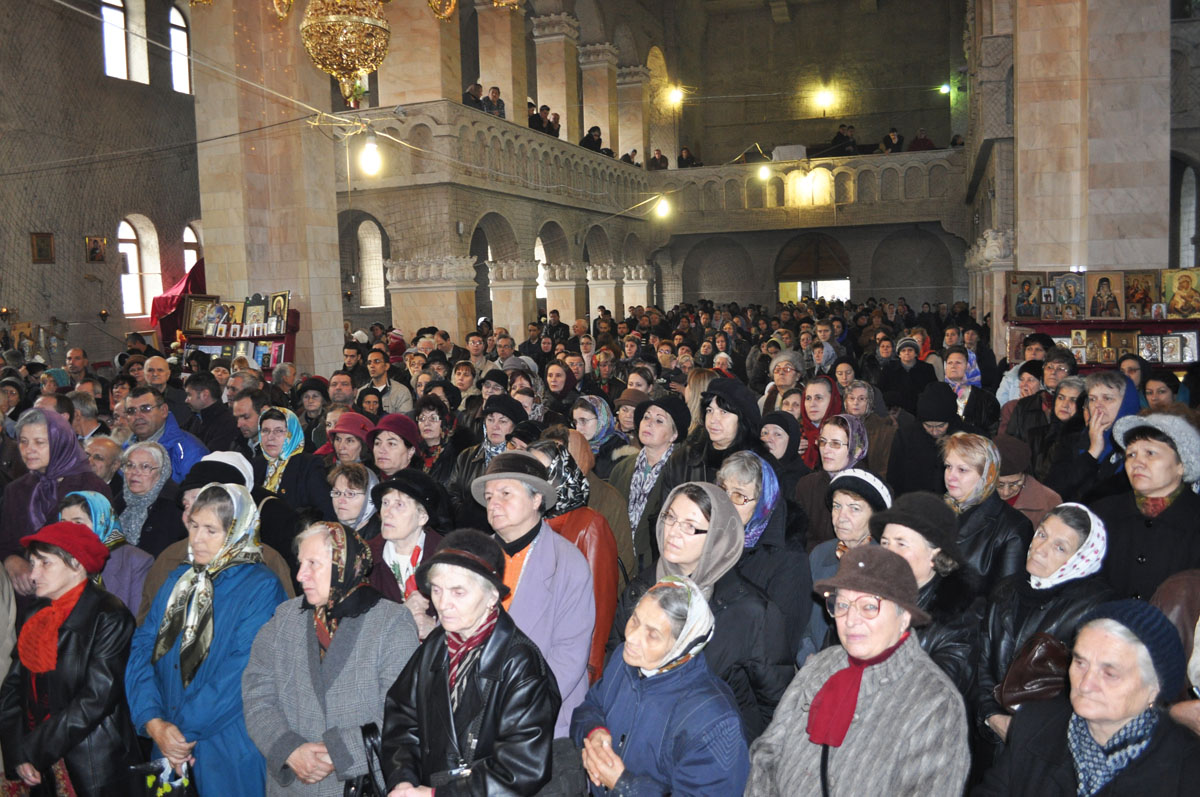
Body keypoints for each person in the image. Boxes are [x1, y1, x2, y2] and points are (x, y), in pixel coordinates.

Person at [745, 546, 970, 796]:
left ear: (904, 614)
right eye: (841, 604)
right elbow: (766, 755)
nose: (850, 619)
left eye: (869, 607)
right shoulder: (820, 668)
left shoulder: (935, 704)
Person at [127, 483, 288, 797]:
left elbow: (242, 671)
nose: (197, 539)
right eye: (194, 526)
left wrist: (180, 732)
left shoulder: (261, 586)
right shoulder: (179, 578)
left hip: (226, 744)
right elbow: (143, 647)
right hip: (168, 740)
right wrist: (152, 721)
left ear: (237, 531)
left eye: (211, 530)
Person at [242, 521, 420, 796]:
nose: (301, 575)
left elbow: (401, 712)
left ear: (344, 565)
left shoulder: (391, 622)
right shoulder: (285, 617)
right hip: (292, 785)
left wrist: (336, 754)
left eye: (314, 563)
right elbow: (256, 693)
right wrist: (287, 748)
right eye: (300, 563)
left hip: (356, 784)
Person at [380, 530, 560, 795]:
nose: (443, 604)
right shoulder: (436, 644)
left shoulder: (521, 663)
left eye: (458, 592)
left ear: (491, 597)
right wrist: (403, 780)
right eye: (438, 590)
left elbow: (521, 767)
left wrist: (437, 795)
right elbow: (402, 718)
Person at [609, 482, 792, 739]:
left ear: (717, 536)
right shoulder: (643, 588)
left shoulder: (752, 612)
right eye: (670, 518)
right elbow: (614, 666)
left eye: (689, 526)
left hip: (710, 752)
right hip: (638, 739)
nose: (672, 532)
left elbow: (777, 708)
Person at [976, 600, 1200, 795]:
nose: (1086, 684)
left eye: (1109, 673)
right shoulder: (1035, 723)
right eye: (1080, 663)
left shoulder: (1187, 772)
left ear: (1155, 688)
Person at [470, 452, 594, 770]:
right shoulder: (475, 560)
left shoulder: (568, 563)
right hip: (478, 719)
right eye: (488, 497)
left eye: (505, 493)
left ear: (536, 498)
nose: (493, 503)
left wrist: (513, 711)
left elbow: (569, 658)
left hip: (541, 721)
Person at [570, 577, 750, 795]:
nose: (632, 637)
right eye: (635, 620)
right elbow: (591, 706)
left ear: (682, 648)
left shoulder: (716, 722)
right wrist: (595, 732)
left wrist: (624, 785)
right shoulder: (624, 662)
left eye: (652, 635)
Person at [0, 521, 141, 794]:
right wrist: (17, 752)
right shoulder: (37, 613)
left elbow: (95, 699)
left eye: (45, 564)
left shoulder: (109, 616)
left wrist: (34, 749)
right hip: (39, 761)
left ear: (76, 564)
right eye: (32, 563)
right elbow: (13, 687)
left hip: (92, 760)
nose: (33, 574)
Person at [973, 504, 1112, 757]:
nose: (1040, 549)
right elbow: (982, 659)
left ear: (1082, 558)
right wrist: (992, 716)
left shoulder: (1095, 610)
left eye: (1060, 548)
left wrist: (1023, 729)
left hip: (1046, 749)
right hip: (990, 735)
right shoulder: (1007, 589)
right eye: (1042, 534)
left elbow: (1080, 692)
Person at [526, 440, 619, 685]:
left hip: (570, 663)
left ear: (561, 472)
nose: (534, 480)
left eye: (542, 471)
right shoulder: (527, 523)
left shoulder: (589, 525)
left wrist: (590, 670)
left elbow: (599, 605)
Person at [874, 492, 983, 695]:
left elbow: (935, 695)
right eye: (885, 542)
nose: (888, 553)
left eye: (901, 543)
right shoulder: (863, 594)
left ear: (934, 551)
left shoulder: (957, 621)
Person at [1, 409, 111, 597]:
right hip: (23, 597)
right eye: (23, 441)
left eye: (40, 442)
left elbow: (101, 549)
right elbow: (4, 540)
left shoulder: (92, 489)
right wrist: (10, 560)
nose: (29, 450)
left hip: (74, 597)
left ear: (61, 443)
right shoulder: (16, 489)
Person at [716, 450, 811, 661]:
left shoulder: (790, 560)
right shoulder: (714, 540)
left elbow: (781, 643)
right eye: (723, 491)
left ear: (763, 502)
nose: (726, 502)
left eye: (739, 495)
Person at [1096, 413, 1200, 599]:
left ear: (1181, 465)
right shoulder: (1102, 513)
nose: (1137, 463)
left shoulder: (1194, 520)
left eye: (1150, 453)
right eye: (1131, 454)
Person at [800, 470, 892, 663]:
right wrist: (809, 659)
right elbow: (802, 621)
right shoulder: (820, 555)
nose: (841, 517)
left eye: (854, 508)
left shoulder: (887, 565)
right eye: (836, 507)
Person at [942, 431, 1032, 591]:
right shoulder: (936, 509)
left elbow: (1004, 602)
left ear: (987, 475)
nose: (951, 476)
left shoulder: (1014, 527)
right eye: (949, 466)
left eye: (962, 470)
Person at [367, 472, 443, 640]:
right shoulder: (365, 559)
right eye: (385, 503)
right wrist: (401, 614)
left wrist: (438, 628)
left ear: (422, 517)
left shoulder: (448, 558)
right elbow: (355, 626)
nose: (387, 512)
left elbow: (471, 619)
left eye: (399, 505)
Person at [58, 490, 152, 614]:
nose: (69, 530)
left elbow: (137, 620)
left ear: (101, 522)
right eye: (64, 523)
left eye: (78, 523)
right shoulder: (57, 559)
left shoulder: (136, 561)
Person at [794, 413, 867, 551]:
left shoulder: (871, 491)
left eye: (835, 444)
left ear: (856, 450)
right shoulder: (806, 485)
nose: (826, 450)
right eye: (822, 442)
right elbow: (798, 537)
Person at [255, 407, 336, 520]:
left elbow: (325, 512)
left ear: (292, 433)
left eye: (279, 431)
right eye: (265, 430)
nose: (270, 437)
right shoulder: (255, 465)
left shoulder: (309, 465)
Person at [113, 441, 188, 558]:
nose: (134, 473)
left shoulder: (175, 505)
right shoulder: (121, 499)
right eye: (130, 465)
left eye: (145, 467)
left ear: (162, 471)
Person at [571, 395, 624, 479]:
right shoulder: (577, 447)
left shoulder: (621, 450)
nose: (578, 428)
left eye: (583, 421)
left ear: (601, 419)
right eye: (575, 422)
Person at [327, 462, 380, 539]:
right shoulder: (327, 533)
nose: (341, 500)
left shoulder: (381, 540)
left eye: (350, 494)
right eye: (337, 492)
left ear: (369, 499)